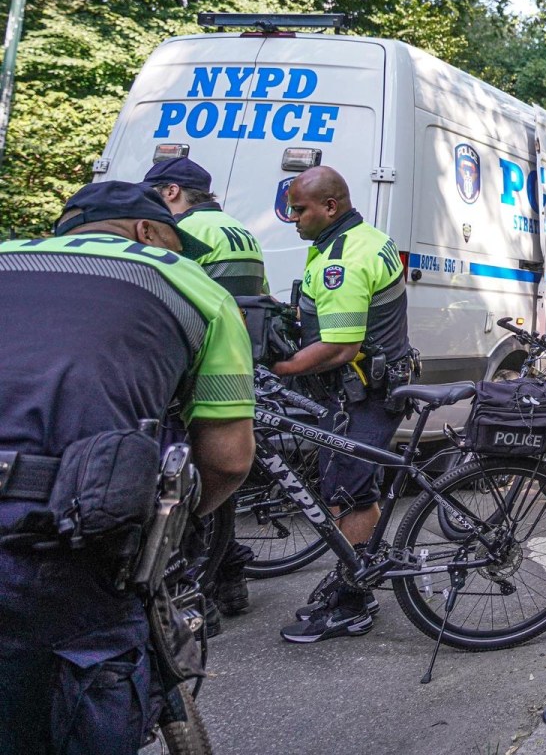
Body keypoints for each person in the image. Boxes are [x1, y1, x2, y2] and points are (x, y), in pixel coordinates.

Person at [0, 180, 255, 755]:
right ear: (146, 230)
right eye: (175, 240)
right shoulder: (192, 285)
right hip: (65, 537)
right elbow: (228, 460)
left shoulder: (9, 255)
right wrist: (171, 528)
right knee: (83, 695)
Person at [271, 165, 415, 643]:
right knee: (347, 490)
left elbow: (340, 346)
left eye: (299, 209)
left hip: (365, 394)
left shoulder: (344, 258)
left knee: (348, 494)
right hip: (365, 390)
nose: (292, 218)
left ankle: (355, 602)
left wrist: (282, 367)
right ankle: (356, 574)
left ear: (330, 206)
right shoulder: (355, 239)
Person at [144, 155, 268, 621]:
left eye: (153, 195)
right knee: (222, 482)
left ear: (171, 192)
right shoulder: (241, 231)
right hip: (235, 364)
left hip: (195, 368)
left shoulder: (186, 233)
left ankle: (197, 592)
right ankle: (229, 576)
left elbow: (171, 294)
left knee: (186, 485)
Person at [144, 156, 269, 296]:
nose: (145, 201)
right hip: (235, 310)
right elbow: (263, 293)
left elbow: (154, 288)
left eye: (150, 194)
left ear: (171, 192)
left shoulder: (180, 229)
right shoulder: (240, 228)